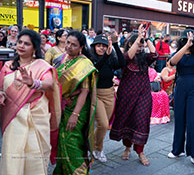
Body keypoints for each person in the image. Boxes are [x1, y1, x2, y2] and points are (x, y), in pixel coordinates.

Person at [0, 29, 61, 174]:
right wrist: (1, 94)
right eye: (20, 42)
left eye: (26, 44)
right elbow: (2, 87)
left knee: (35, 155)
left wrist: (34, 83)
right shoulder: (8, 65)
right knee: (12, 154)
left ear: (34, 48)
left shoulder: (41, 65)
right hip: (13, 116)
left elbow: (50, 84)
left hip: (36, 115)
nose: (21, 46)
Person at [109, 24, 158, 166]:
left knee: (141, 121)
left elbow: (155, 54)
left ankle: (140, 151)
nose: (141, 46)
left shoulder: (145, 58)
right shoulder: (125, 56)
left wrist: (146, 38)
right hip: (127, 95)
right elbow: (128, 57)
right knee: (127, 121)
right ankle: (127, 147)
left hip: (143, 95)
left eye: (142, 44)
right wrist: (137, 39)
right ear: (130, 44)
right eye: (138, 43)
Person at [53, 31, 97, 175]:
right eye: (68, 43)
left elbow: (84, 91)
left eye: (74, 45)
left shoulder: (84, 63)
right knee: (61, 141)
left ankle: (79, 172)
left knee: (72, 142)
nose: (69, 47)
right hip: (61, 106)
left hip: (77, 108)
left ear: (81, 47)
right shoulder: (60, 59)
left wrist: (75, 114)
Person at [168, 29, 194, 170]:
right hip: (181, 85)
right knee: (179, 119)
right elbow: (172, 62)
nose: (188, 41)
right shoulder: (180, 50)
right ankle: (177, 149)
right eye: (186, 39)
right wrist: (186, 46)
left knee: (193, 121)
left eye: (190, 39)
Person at [90, 31, 125, 163]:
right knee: (103, 124)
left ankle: (93, 147)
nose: (101, 48)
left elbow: (122, 64)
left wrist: (115, 44)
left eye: (104, 46)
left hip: (109, 94)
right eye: (99, 45)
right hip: (96, 94)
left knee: (103, 125)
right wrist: (106, 56)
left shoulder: (110, 58)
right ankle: (97, 148)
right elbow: (95, 69)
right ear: (94, 46)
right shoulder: (91, 58)